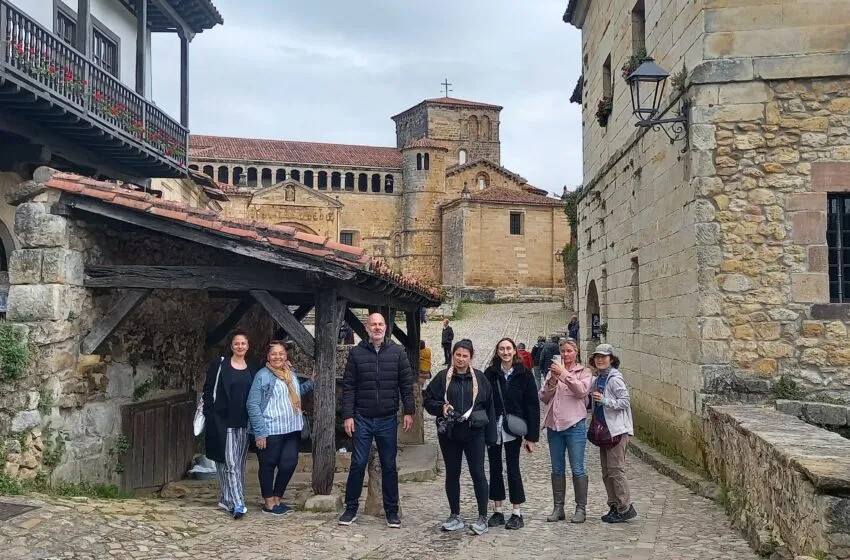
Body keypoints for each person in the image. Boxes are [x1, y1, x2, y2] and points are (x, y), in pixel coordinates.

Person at [338, 312, 415, 529]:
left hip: (387, 418)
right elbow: (349, 386)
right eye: (374, 324)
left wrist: (409, 411)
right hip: (362, 417)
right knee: (358, 463)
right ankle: (350, 508)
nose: (377, 327)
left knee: (389, 465)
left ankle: (391, 510)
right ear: (367, 328)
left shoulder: (398, 352)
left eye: (381, 324)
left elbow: (406, 384)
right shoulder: (356, 354)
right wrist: (348, 415)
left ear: (386, 327)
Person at [423, 339, 496, 536]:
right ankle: (455, 515)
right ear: (453, 355)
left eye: (465, 356)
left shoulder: (480, 379)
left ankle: (482, 517)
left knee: (478, 473)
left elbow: (490, 406)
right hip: (451, 434)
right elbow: (428, 401)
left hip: (474, 433)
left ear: (471, 358)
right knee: (452, 473)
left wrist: (491, 437)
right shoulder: (441, 378)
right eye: (458, 355)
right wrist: (441, 407)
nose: (461, 359)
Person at [246, 341, 314, 516]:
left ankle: (278, 497)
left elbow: (296, 392)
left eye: (281, 353)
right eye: (274, 354)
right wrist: (260, 432)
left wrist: (312, 382)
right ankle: (269, 502)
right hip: (270, 428)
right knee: (268, 464)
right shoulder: (263, 376)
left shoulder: (289, 374)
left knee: (289, 463)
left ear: (286, 356)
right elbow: (252, 404)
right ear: (268, 357)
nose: (278, 357)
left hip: (291, 428)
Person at [484, 338, 540, 530]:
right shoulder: (490, 374)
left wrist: (531, 437)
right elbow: (483, 400)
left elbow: (532, 406)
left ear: (514, 351)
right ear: (497, 351)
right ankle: (498, 510)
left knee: (513, 469)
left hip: (513, 427)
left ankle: (516, 512)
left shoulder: (524, 375)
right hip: (494, 427)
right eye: (502, 349)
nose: (505, 352)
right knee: (495, 468)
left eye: (508, 348)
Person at [202, 330, 258, 519]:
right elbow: (208, 389)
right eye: (236, 343)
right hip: (222, 421)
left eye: (243, 343)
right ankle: (238, 502)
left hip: (243, 422)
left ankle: (226, 499)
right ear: (231, 345)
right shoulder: (220, 365)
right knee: (229, 463)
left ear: (248, 346)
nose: (240, 346)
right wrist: (209, 413)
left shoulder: (252, 366)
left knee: (238, 464)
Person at [539, 338, 592, 523]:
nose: (566, 355)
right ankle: (558, 507)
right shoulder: (553, 371)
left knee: (577, 468)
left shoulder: (584, 372)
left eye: (569, 351)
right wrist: (552, 381)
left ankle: (580, 508)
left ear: (576, 352)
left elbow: (582, 391)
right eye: (563, 351)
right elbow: (543, 397)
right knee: (557, 468)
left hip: (575, 426)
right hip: (555, 426)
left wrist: (564, 375)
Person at [590, 343, 636, 523]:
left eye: (604, 356)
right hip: (603, 430)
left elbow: (625, 401)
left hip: (617, 430)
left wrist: (606, 400)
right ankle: (614, 504)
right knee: (606, 471)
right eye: (597, 357)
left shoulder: (615, 379)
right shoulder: (598, 379)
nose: (600, 360)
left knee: (616, 470)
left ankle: (625, 507)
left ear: (611, 359)